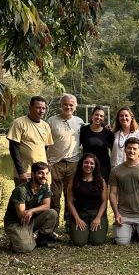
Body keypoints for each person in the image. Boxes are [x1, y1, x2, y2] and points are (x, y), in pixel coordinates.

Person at [47, 93, 84, 231]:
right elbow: (45, 143)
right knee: (54, 194)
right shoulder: (51, 121)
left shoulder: (80, 122)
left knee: (70, 193)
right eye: (65, 104)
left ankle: (69, 222)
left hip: (73, 162)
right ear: (61, 105)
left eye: (71, 105)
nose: (68, 107)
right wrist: (46, 163)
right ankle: (53, 224)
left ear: (75, 107)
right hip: (54, 163)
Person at [108, 137, 139, 246]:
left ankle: (135, 230)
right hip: (124, 215)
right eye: (129, 148)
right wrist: (116, 214)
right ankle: (130, 230)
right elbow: (112, 193)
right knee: (121, 242)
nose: (132, 151)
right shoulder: (116, 170)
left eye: (135, 149)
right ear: (125, 150)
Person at [3, 161, 58, 252]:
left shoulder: (45, 187)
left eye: (46, 173)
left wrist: (32, 210)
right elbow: (21, 215)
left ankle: (42, 239)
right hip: (16, 223)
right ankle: (18, 239)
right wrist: (29, 212)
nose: (44, 176)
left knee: (52, 213)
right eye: (40, 173)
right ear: (33, 174)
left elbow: (47, 206)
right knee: (26, 248)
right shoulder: (21, 190)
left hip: (30, 220)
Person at [7, 96, 53, 185]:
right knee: (24, 198)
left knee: (44, 198)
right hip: (26, 172)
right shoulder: (19, 123)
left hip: (43, 172)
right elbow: (13, 149)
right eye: (38, 107)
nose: (41, 111)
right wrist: (21, 171)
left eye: (43, 108)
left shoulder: (45, 126)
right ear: (30, 108)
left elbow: (45, 148)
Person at [66, 153, 108, 246]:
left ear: (95, 166)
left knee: (98, 241)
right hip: (80, 214)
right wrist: (77, 219)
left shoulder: (101, 181)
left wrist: (98, 218)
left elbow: (104, 201)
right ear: (81, 164)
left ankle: (90, 233)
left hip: (96, 214)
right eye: (86, 162)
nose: (89, 165)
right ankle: (79, 230)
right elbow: (69, 201)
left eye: (92, 163)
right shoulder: (74, 180)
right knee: (79, 242)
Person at [80, 105, 114, 182]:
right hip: (87, 166)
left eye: (101, 116)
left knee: (102, 190)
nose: (99, 117)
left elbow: (113, 150)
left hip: (103, 167)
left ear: (103, 118)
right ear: (92, 116)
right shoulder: (84, 130)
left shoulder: (108, 133)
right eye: (96, 114)